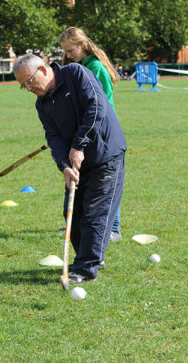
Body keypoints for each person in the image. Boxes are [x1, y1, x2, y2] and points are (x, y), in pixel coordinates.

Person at [13, 54, 126, 283]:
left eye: (30, 81)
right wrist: (64, 166)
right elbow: (53, 137)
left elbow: (95, 108)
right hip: (76, 163)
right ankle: (90, 257)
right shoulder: (42, 104)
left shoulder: (76, 73)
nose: (28, 88)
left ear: (43, 70)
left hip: (106, 155)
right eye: (23, 86)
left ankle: (86, 268)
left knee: (96, 213)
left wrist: (78, 145)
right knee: (72, 213)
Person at [59, 27, 122, 242]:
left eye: (70, 50)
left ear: (82, 45)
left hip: (102, 131)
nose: (68, 55)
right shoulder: (78, 66)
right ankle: (74, 224)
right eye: (65, 51)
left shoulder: (96, 68)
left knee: (106, 178)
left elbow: (99, 105)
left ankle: (113, 228)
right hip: (85, 130)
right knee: (81, 176)